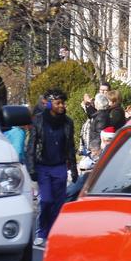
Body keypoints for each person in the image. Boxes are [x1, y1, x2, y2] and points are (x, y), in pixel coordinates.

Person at [27, 91, 78, 246]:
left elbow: (70, 146)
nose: (62, 106)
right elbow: (32, 145)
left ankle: (53, 233)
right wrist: (31, 168)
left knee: (58, 203)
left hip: (60, 167)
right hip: (43, 167)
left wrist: (73, 168)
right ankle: (41, 231)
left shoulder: (68, 122)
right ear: (49, 104)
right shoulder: (38, 120)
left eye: (63, 103)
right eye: (58, 103)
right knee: (46, 200)